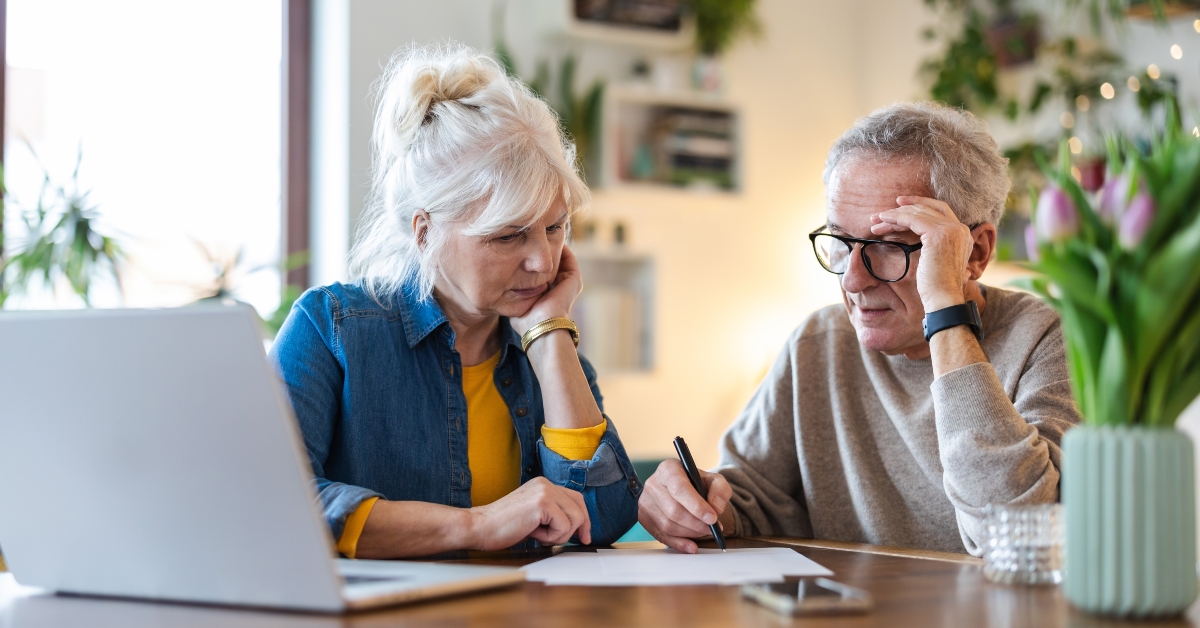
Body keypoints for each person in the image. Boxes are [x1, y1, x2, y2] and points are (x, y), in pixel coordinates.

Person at [638, 102, 1081, 556]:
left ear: (975, 252)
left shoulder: (1048, 342)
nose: (852, 279)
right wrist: (693, 507)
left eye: (889, 246)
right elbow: (751, 499)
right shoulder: (819, 343)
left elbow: (1021, 532)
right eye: (841, 243)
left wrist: (945, 314)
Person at [270, 44, 640, 559]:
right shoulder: (332, 329)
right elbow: (276, 503)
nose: (542, 261)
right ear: (425, 232)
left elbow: (599, 522)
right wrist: (476, 526)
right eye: (508, 236)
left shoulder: (546, 350)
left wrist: (550, 337)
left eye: (555, 227)